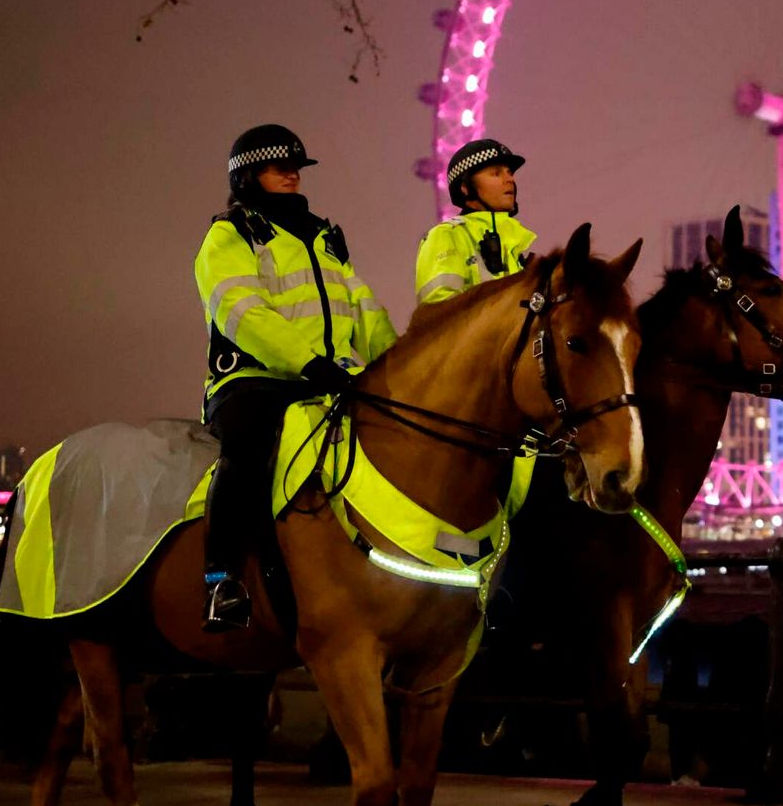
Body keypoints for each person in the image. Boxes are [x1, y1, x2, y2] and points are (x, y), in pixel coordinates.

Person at [195, 124, 397, 630]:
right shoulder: (229, 235)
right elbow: (241, 311)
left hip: (331, 377)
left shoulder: (326, 238)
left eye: (294, 168)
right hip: (253, 379)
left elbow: (364, 306)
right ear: (246, 179)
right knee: (247, 446)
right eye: (276, 167)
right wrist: (308, 361)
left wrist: (399, 365)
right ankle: (222, 581)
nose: (290, 175)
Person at [415, 138, 536, 305]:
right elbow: (439, 315)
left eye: (510, 172)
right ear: (466, 188)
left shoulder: (514, 244)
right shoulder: (446, 235)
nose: (509, 180)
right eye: (496, 173)